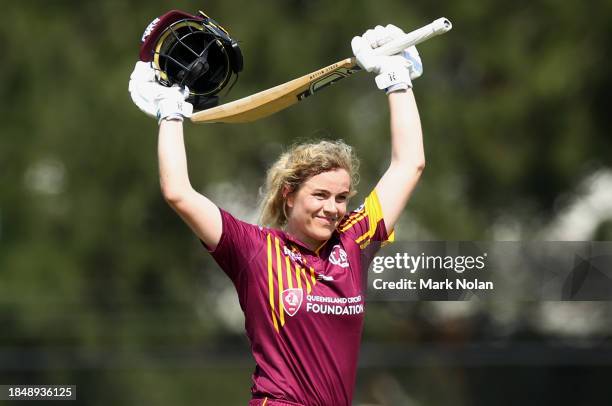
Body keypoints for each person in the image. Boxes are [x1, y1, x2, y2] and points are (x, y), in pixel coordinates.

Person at [129, 23, 425, 406]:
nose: (332, 208)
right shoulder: (254, 250)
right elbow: (179, 193)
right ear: (289, 196)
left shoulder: (355, 242)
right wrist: (170, 114)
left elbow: (409, 165)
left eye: (341, 197)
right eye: (319, 195)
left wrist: (396, 80)